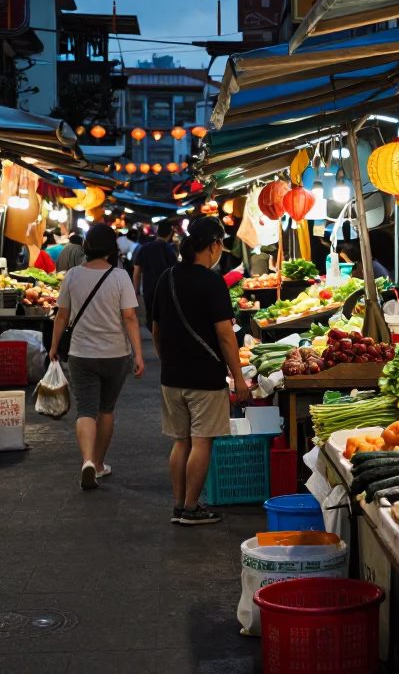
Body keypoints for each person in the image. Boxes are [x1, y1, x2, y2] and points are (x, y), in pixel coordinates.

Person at [152, 217, 249, 526]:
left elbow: (155, 329)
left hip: (172, 377)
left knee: (181, 442)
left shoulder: (166, 278)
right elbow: (225, 335)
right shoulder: (213, 282)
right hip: (205, 378)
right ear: (213, 245)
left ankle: (179, 506)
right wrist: (238, 378)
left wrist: (167, 360)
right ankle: (193, 509)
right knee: (202, 440)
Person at [49, 223, 145, 491]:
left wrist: (54, 345)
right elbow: (130, 318)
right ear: (112, 248)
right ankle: (100, 464)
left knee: (86, 410)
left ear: (86, 247)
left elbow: (62, 316)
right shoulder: (120, 276)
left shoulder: (72, 276)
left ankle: (87, 461)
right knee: (106, 409)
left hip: (81, 354)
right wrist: (139, 354)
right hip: (116, 355)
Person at [133, 219, 178, 331]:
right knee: (164, 316)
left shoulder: (145, 247)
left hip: (149, 288)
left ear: (157, 232)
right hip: (165, 289)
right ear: (170, 233)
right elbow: (176, 272)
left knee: (151, 316)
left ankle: (154, 335)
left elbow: (137, 270)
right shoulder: (170, 249)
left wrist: (136, 291)